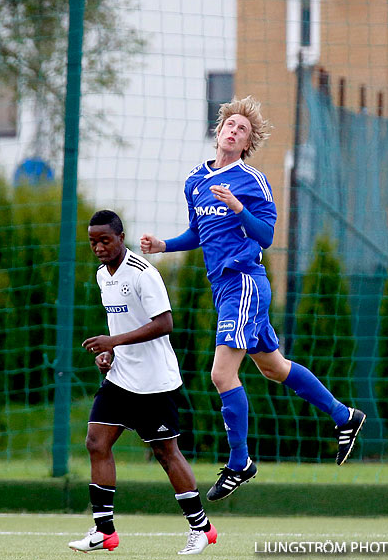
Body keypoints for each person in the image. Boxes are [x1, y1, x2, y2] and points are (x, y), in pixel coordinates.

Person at [140, 96, 366, 503]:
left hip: (244, 281)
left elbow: (266, 236)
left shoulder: (252, 181)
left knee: (221, 375)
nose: (233, 130)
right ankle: (343, 415)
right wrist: (163, 245)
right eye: (230, 124)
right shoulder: (195, 180)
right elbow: (198, 233)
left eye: (241, 129)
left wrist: (240, 209)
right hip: (225, 287)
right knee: (274, 368)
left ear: (247, 143)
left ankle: (240, 461)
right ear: (219, 131)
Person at [68, 210, 217, 555]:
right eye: (93, 242)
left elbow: (165, 323)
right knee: (96, 442)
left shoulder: (143, 273)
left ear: (121, 237)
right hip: (120, 378)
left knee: (166, 453)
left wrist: (113, 343)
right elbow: (120, 327)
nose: (99, 247)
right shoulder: (102, 276)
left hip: (154, 382)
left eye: (105, 240)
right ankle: (104, 531)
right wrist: (109, 354)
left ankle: (201, 528)